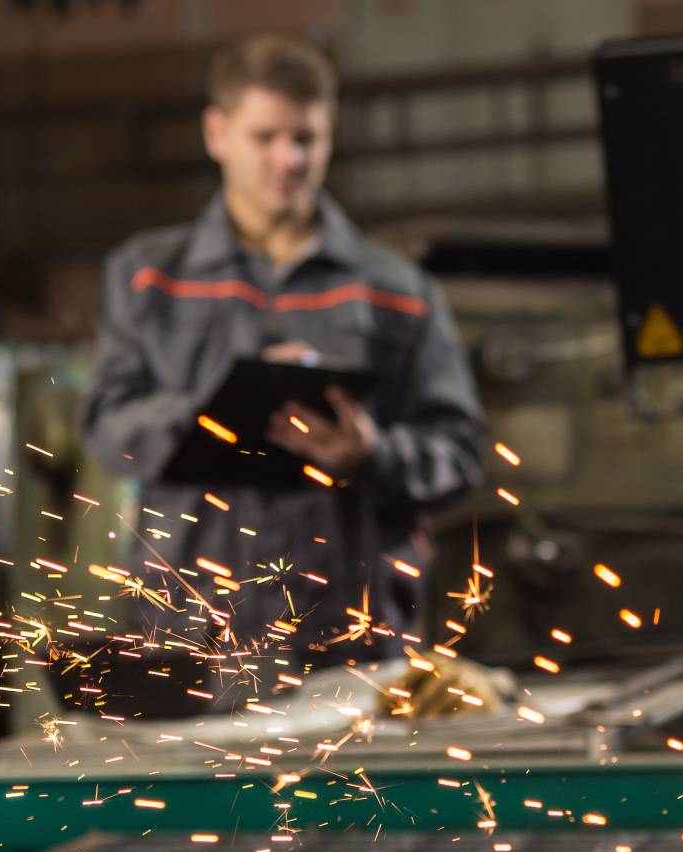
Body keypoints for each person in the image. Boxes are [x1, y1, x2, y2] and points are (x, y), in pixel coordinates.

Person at [80, 31, 485, 709]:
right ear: (217, 132)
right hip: (190, 639)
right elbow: (106, 426)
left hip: (353, 640)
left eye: (307, 139)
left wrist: (374, 452)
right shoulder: (149, 278)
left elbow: (461, 451)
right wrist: (210, 410)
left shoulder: (395, 291)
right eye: (265, 136)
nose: (288, 159)